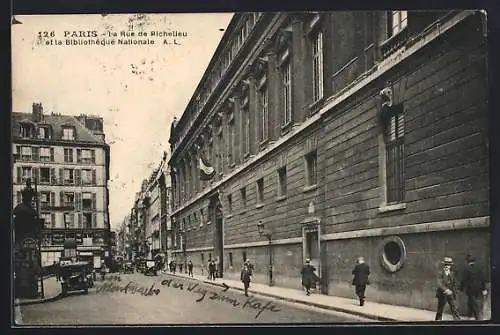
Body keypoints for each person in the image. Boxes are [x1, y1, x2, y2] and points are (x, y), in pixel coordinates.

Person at [459, 254, 488, 320]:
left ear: (467, 262)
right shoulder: (479, 268)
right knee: (475, 302)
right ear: (474, 261)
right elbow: (483, 279)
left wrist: (461, 289)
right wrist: (484, 289)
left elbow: (464, 280)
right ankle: (471, 315)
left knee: (474, 303)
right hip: (479, 289)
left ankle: (478, 318)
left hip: (470, 290)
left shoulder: (466, 269)